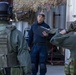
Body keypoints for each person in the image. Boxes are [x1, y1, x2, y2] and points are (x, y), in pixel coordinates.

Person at [0, 1, 31, 75]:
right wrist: (27, 72)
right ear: (10, 15)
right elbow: (24, 57)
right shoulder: (17, 33)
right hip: (11, 71)